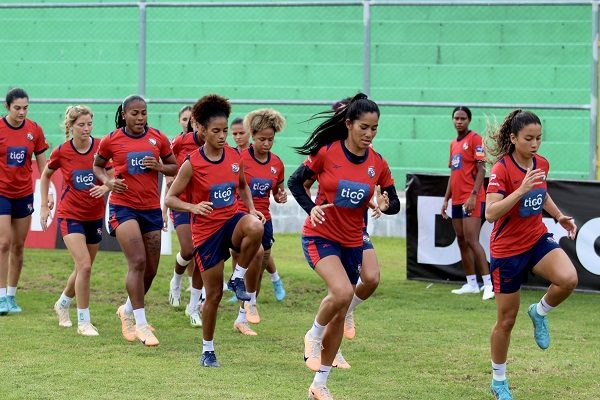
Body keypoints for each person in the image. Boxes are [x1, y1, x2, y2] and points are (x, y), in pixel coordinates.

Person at [288, 93, 400, 399]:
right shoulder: (327, 152)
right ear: (349, 124)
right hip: (320, 236)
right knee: (341, 293)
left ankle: (319, 385)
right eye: (364, 127)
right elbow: (296, 182)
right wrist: (310, 207)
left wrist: (385, 203)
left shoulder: (377, 163)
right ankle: (312, 335)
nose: (369, 134)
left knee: (341, 310)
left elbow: (394, 203)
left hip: (353, 240)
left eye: (374, 128)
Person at [165, 94, 264, 368]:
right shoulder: (192, 163)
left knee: (256, 227)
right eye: (216, 131)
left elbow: (242, 186)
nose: (223, 136)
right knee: (214, 296)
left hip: (231, 221)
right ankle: (207, 349)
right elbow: (170, 199)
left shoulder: (234, 156)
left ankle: (238, 277)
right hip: (207, 233)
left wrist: (252, 208)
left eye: (225, 131)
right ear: (202, 130)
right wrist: (193, 207)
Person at [485, 110, 577, 400]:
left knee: (568, 279)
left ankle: (539, 312)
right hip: (507, 251)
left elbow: (542, 193)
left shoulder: (542, 163)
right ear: (513, 139)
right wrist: (520, 189)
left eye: (539, 138)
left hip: (535, 239)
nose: (535, 143)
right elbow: (490, 213)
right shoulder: (501, 169)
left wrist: (559, 216)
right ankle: (499, 380)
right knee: (506, 321)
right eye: (529, 138)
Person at [93, 95, 178, 346]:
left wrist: (160, 167)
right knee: (138, 261)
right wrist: (108, 181)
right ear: (124, 114)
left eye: (143, 113)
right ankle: (141, 325)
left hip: (151, 209)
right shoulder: (112, 139)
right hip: (123, 208)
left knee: (150, 270)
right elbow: (97, 165)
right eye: (135, 113)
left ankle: (127, 310)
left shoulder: (158, 138)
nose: (140, 118)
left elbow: (175, 166)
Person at [40, 105, 110, 336]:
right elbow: (45, 175)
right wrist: (44, 203)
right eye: (81, 125)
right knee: (85, 266)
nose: (86, 129)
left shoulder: (101, 147)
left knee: (82, 268)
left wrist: (106, 186)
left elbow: (113, 174)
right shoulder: (62, 151)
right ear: (70, 126)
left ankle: (61, 304)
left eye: (90, 124)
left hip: (94, 216)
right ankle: (84, 321)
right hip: (71, 216)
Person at [231, 108, 287, 336]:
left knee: (258, 269)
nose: (266, 143)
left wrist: (281, 196)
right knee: (253, 256)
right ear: (252, 136)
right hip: (240, 218)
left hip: (266, 219)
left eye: (270, 139)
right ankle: (205, 299)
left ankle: (243, 314)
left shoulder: (277, 163)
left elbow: (277, 192)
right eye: (262, 139)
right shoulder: (240, 159)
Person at [0, 88, 49, 315]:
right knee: (3, 243)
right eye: (17, 108)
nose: (22, 112)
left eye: (25, 108)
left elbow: (43, 166)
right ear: (7, 107)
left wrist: (46, 193)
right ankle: (1, 297)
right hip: (1, 193)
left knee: (19, 246)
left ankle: (11, 296)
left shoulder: (34, 130)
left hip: (23, 194)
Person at [441, 106, 494, 300]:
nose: (459, 121)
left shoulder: (475, 139)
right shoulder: (453, 143)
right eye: (456, 118)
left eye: (463, 118)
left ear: (469, 120)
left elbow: (482, 169)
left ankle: (488, 284)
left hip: (472, 198)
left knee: (472, 240)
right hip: (456, 199)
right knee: (461, 240)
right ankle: (472, 283)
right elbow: (453, 174)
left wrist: (473, 195)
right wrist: (446, 199)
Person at [167, 113, 206, 328]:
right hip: (182, 203)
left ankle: (193, 306)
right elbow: (169, 163)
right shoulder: (181, 141)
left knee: (201, 254)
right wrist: (170, 177)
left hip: (204, 207)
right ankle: (176, 280)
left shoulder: (219, 145)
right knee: (188, 249)